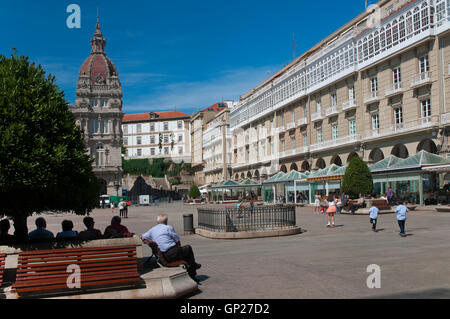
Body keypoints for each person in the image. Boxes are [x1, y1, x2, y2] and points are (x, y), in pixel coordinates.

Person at [141, 214, 201, 281]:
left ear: (157, 222)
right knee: (188, 248)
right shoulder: (168, 228)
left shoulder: (152, 230)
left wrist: (148, 241)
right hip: (171, 254)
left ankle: (193, 267)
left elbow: (142, 237)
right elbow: (177, 241)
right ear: (166, 221)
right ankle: (193, 270)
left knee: (184, 252)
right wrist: (178, 248)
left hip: (162, 255)